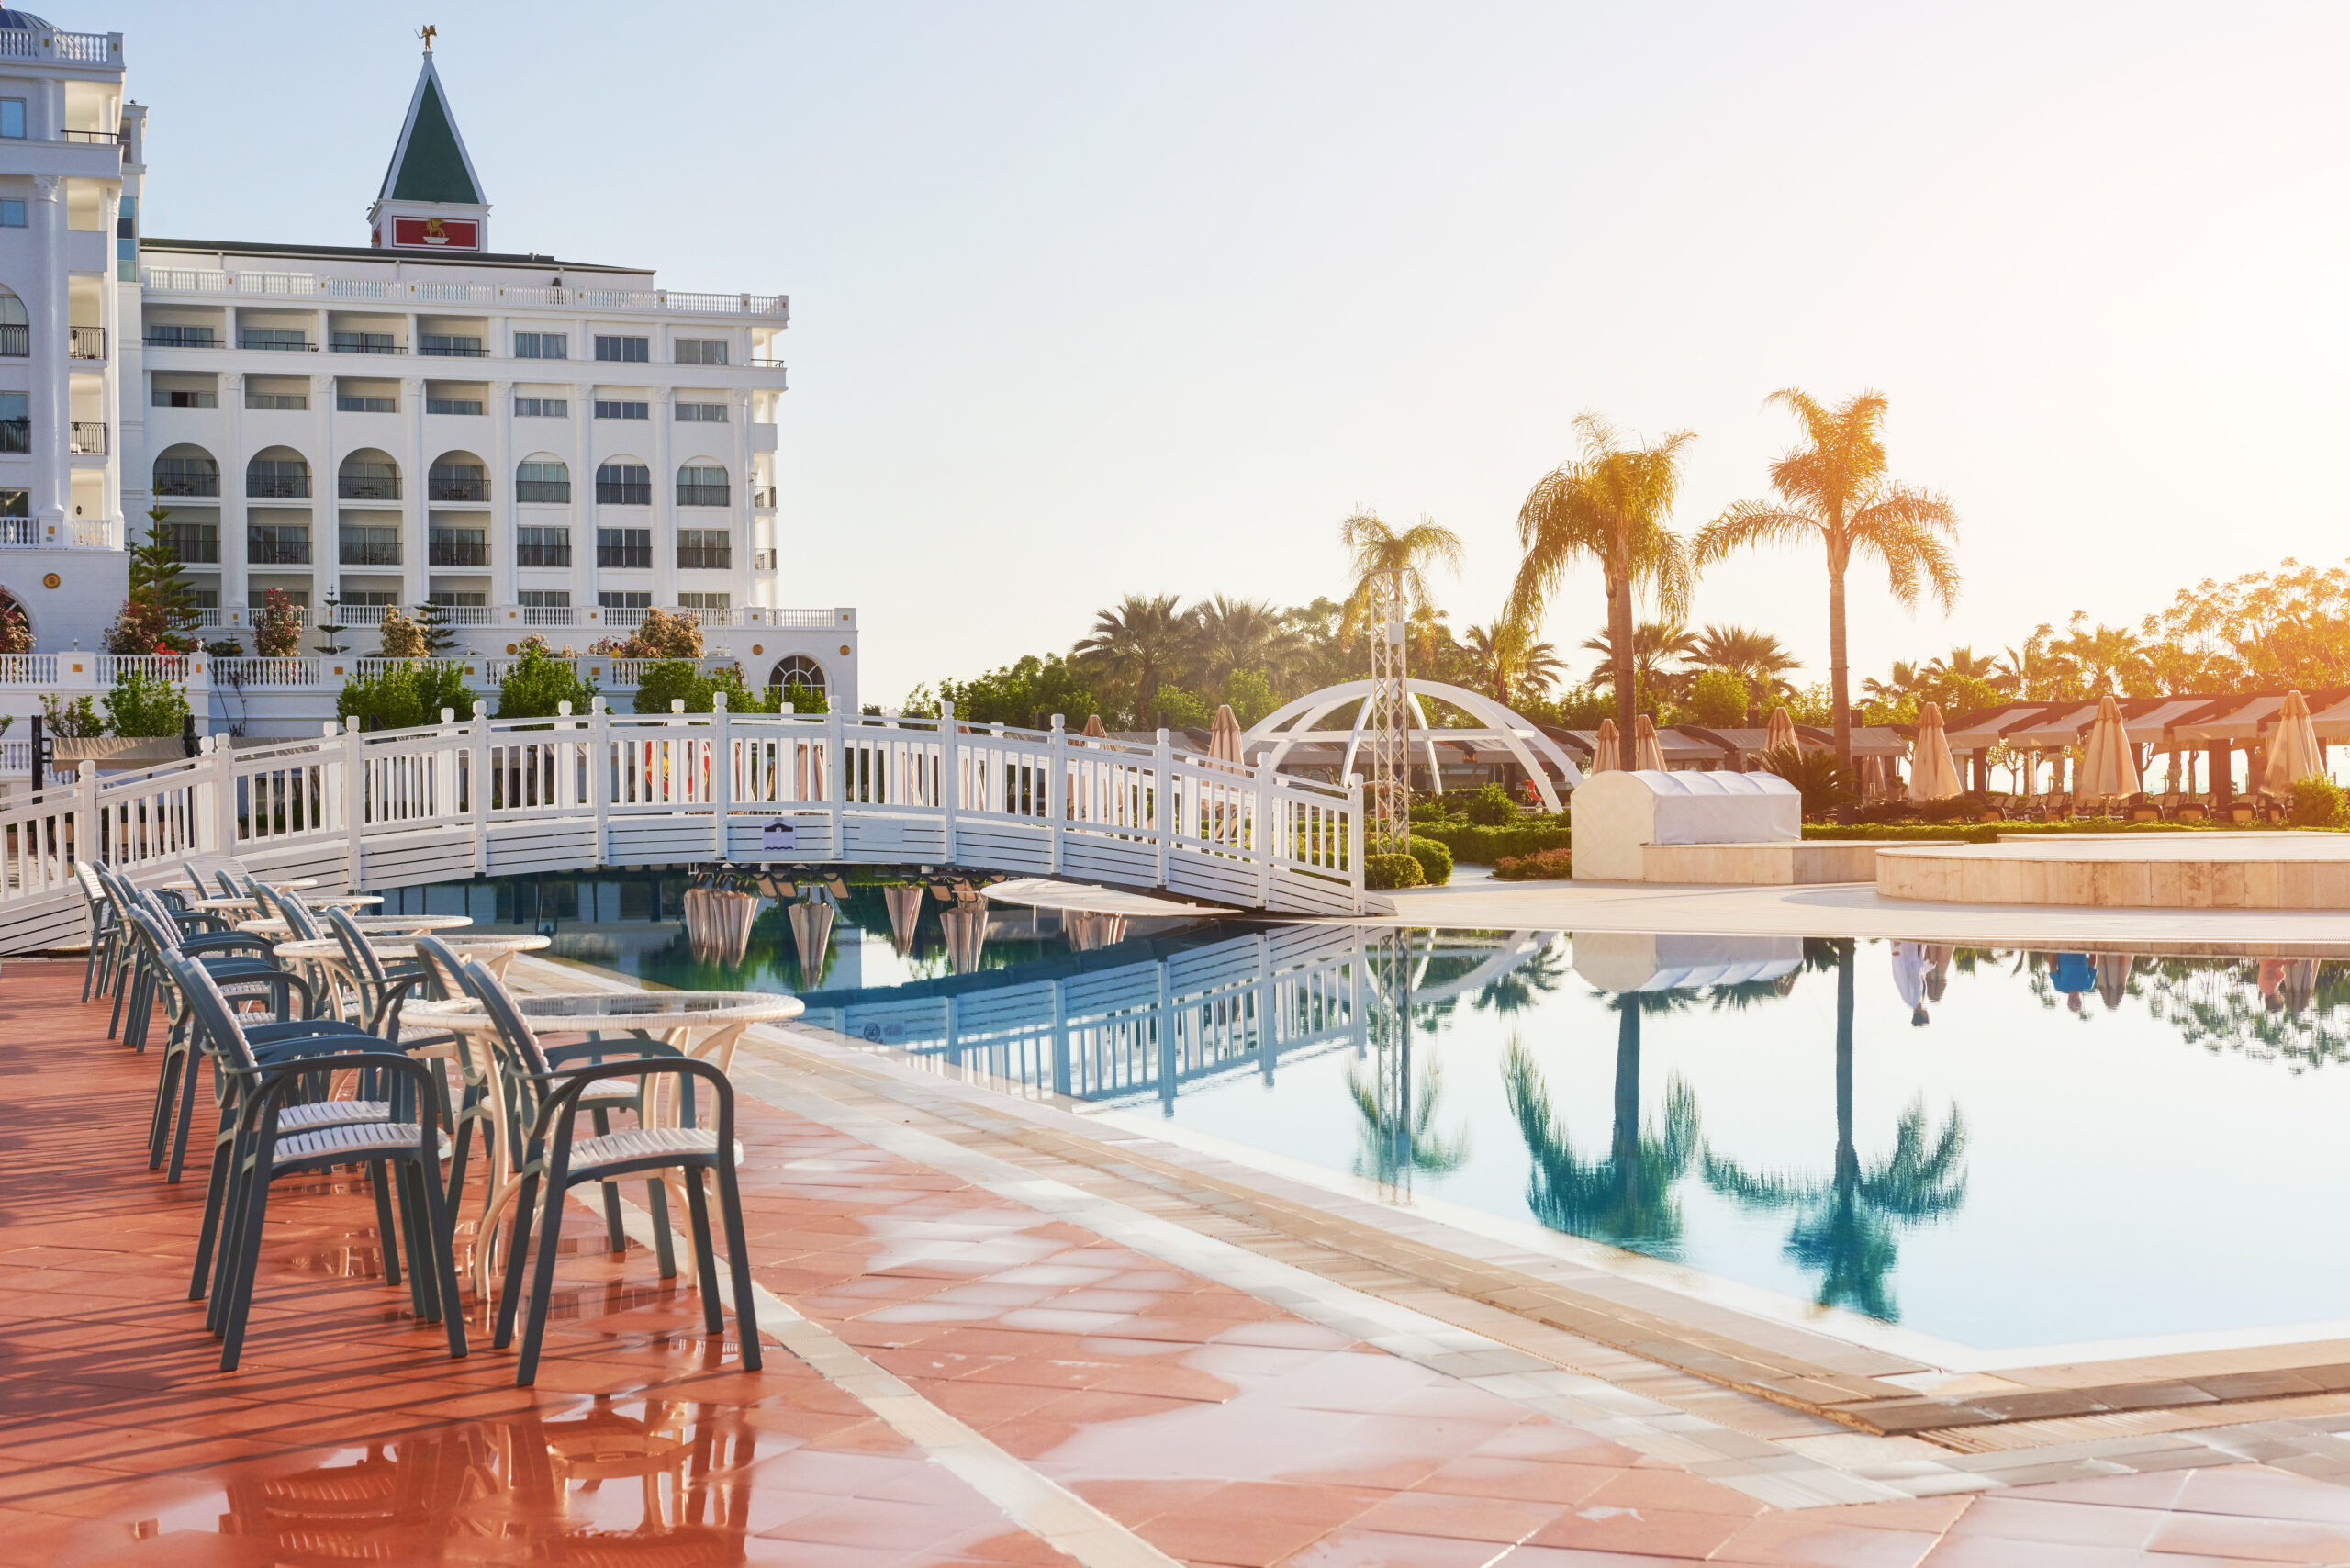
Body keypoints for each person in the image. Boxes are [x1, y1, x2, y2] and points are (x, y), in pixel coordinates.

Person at [1890, 940, 1930, 1027]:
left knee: (1909, 935)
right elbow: (1919, 974)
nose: (1928, 1015)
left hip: (1905, 956)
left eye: (1927, 1018)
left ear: (1923, 1016)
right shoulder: (1922, 999)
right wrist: (1929, 966)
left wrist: (1896, 952)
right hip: (1917, 955)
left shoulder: (1910, 999)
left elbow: (1900, 978)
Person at [2051, 951, 2096, 1015]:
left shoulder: (2059, 986)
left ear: (2068, 1001)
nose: (2073, 999)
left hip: (2063, 948)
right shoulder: (2088, 985)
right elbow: (2092, 963)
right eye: (2076, 1002)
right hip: (2080, 947)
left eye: (2071, 1002)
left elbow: (2052, 965)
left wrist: (2051, 948)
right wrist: (2094, 948)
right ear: (2080, 1001)